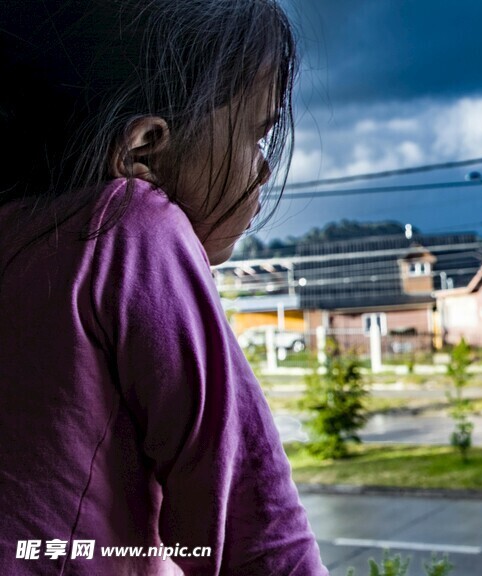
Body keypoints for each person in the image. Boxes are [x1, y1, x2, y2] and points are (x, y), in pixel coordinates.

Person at [0, 1, 328, 574]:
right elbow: (255, 519)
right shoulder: (130, 229)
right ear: (145, 149)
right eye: (255, 136)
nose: (264, 170)